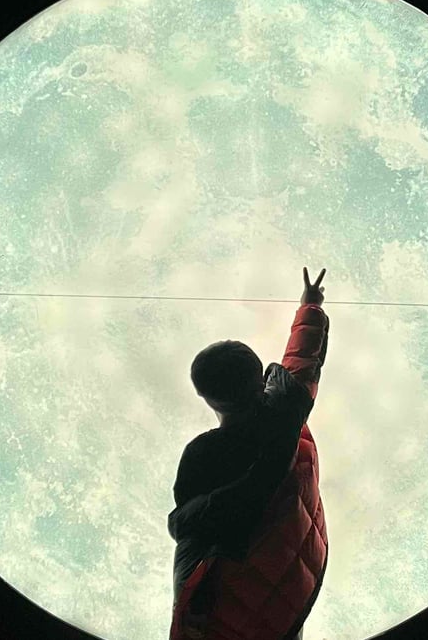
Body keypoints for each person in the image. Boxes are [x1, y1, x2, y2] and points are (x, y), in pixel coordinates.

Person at [168, 268, 331, 640]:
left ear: (207, 398)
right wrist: (311, 305)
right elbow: (303, 358)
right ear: (260, 380)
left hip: (242, 595)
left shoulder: (202, 454)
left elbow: (194, 538)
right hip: (291, 570)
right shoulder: (287, 408)